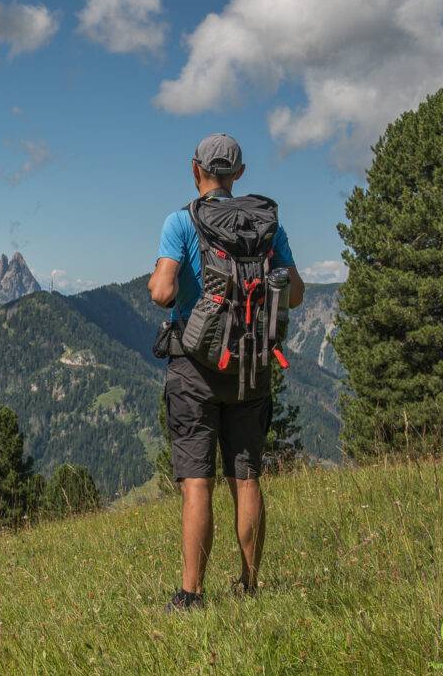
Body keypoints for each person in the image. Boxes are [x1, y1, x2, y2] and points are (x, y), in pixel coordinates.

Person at [147, 133, 305, 611]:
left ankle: (192, 593)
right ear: (239, 174)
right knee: (246, 476)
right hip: (252, 367)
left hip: (196, 368)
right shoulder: (268, 226)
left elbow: (161, 292)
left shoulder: (180, 222)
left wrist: (166, 273)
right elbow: (294, 294)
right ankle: (250, 584)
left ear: (195, 169)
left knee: (198, 482)